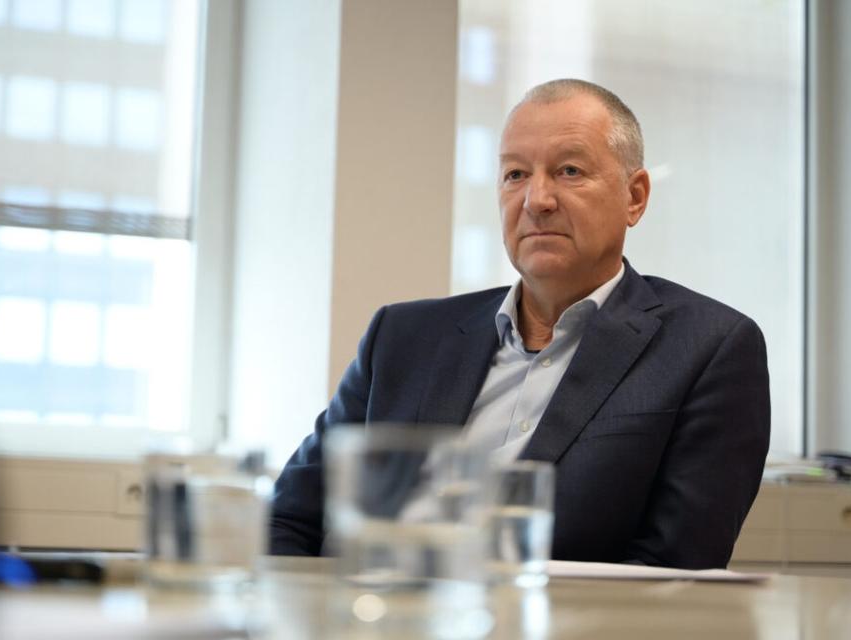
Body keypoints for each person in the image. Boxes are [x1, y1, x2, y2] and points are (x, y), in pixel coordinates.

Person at [269, 79, 770, 569]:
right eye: (515, 175)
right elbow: (286, 521)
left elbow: (675, 575)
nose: (537, 200)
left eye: (569, 171)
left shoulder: (710, 349)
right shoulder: (401, 338)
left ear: (634, 197)